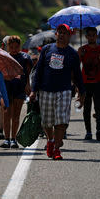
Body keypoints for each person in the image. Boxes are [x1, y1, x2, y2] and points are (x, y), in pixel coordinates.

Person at [29, 24, 85, 160]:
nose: (61, 35)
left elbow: (77, 75)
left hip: (64, 91)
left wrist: (81, 93)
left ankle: (57, 149)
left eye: (64, 33)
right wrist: (34, 90)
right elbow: (39, 72)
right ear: (56, 35)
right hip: (46, 90)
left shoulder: (72, 54)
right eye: (59, 32)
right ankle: (51, 141)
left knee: (61, 120)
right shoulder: (47, 49)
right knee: (47, 123)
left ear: (69, 35)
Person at [78, 27, 100, 141]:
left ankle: (98, 130)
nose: (91, 37)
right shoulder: (82, 49)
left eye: (93, 35)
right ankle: (88, 132)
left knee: (99, 108)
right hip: (86, 83)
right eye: (89, 35)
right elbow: (76, 67)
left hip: (98, 82)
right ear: (86, 37)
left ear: (96, 36)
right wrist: (80, 55)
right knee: (86, 109)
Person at [0, 36, 32, 149]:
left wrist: (28, 85)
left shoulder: (25, 57)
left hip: (19, 88)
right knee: (6, 114)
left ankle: (13, 139)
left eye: (16, 46)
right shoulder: (4, 57)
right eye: (11, 46)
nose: (14, 49)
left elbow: (28, 74)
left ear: (20, 46)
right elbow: (0, 73)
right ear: (7, 46)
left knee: (16, 115)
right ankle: (6, 139)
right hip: (5, 89)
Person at [0, 35, 11, 140]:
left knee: (7, 108)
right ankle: (0, 129)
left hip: (9, 84)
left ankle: (5, 130)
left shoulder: (14, 56)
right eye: (9, 45)